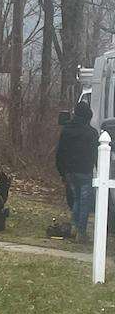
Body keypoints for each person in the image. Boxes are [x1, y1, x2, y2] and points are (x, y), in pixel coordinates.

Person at [56, 101, 98, 243]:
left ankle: (74, 226)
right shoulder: (92, 133)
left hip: (70, 172)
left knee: (76, 199)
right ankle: (81, 232)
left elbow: (60, 153)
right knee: (84, 202)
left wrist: (62, 172)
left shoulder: (67, 130)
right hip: (85, 171)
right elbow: (95, 154)